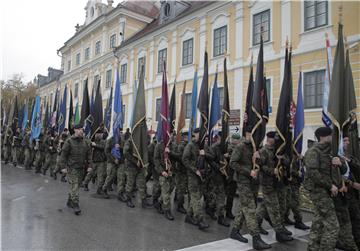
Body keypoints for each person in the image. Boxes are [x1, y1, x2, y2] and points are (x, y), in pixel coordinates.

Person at [230, 127, 271, 250]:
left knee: (245, 207)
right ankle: (256, 238)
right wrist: (248, 172)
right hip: (243, 182)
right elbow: (233, 163)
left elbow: (262, 164)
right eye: (252, 133)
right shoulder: (241, 147)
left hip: (254, 182)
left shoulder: (258, 148)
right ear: (247, 134)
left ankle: (235, 231)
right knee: (250, 209)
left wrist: (258, 157)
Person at [304, 127, 340, 251]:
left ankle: (312, 247)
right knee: (332, 225)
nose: (332, 138)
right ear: (324, 137)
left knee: (318, 223)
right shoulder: (313, 152)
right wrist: (330, 186)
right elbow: (313, 174)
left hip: (325, 190)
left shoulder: (328, 152)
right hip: (318, 191)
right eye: (331, 136)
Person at [256, 131, 293, 243]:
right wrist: (272, 171)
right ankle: (279, 232)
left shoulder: (278, 150)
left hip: (278, 182)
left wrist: (281, 158)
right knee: (274, 208)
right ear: (268, 138)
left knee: (268, 207)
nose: (276, 140)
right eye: (274, 138)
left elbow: (287, 162)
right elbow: (260, 166)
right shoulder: (263, 151)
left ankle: (256, 224)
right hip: (268, 183)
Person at [59, 124, 92, 215]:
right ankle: (75, 204)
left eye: (83, 130)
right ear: (75, 130)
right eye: (80, 129)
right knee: (75, 185)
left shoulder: (86, 142)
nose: (82, 131)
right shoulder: (69, 141)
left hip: (81, 168)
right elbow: (63, 155)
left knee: (76, 186)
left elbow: (89, 155)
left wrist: (90, 165)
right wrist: (63, 167)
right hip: (72, 168)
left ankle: (70, 200)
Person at [182, 128, 209, 230]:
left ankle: (189, 216)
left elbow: (207, 157)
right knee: (195, 197)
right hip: (192, 175)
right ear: (194, 134)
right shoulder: (190, 145)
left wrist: (204, 154)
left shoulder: (202, 146)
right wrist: (194, 170)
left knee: (196, 197)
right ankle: (200, 220)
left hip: (201, 175)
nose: (201, 137)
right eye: (199, 134)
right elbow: (184, 159)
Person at [123, 136, 152, 208]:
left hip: (140, 166)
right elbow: (125, 152)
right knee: (130, 184)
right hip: (131, 166)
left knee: (142, 183)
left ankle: (144, 201)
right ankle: (128, 200)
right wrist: (135, 161)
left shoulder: (142, 140)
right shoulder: (130, 141)